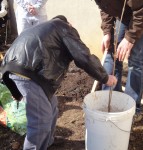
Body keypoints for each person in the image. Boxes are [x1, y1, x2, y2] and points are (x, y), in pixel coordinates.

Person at [0, 15, 117, 150]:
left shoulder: (47, 29)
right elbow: (83, 56)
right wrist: (105, 78)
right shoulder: (63, 28)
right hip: (28, 72)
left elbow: (19, 62)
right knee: (40, 120)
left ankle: (48, 141)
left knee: (52, 105)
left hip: (22, 69)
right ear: (68, 24)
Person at [94, 0, 143, 113]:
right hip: (126, 13)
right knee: (112, 52)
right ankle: (108, 104)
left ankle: (130, 110)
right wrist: (107, 31)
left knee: (136, 60)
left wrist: (130, 38)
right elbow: (106, 5)